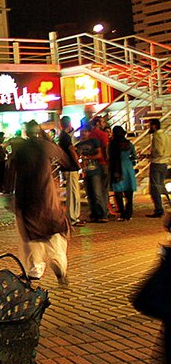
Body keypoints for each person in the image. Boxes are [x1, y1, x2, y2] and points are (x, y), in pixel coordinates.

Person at [13, 120, 70, 285]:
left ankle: (35, 270)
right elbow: (65, 160)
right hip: (47, 196)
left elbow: (12, 172)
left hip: (27, 198)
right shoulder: (45, 146)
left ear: (26, 132)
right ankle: (59, 264)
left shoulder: (21, 149)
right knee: (55, 233)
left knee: (32, 239)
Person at [77, 125, 108, 222]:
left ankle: (102, 214)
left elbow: (99, 154)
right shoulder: (78, 145)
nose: (83, 133)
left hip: (95, 170)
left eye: (85, 131)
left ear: (89, 132)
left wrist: (88, 157)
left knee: (97, 193)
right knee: (90, 194)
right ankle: (94, 214)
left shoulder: (94, 142)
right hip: (86, 171)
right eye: (82, 131)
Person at [108, 125, 137, 221]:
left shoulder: (112, 144)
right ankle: (129, 213)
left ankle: (121, 212)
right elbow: (134, 156)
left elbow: (109, 157)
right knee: (129, 193)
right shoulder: (128, 144)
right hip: (128, 168)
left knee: (118, 193)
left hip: (117, 168)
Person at [58, 116, 83, 226]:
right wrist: (78, 163)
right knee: (73, 193)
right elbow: (71, 150)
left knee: (72, 193)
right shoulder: (65, 138)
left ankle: (73, 216)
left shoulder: (63, 136)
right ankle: (73, 217)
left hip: (67, 168)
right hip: (71, 168)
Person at [146, 118, 171, 218]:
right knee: (160, 185)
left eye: (150, 125)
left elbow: (159, 151)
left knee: (155, 187)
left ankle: (158, 209)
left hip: (157, 163)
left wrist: (151, 154)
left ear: (154, 126)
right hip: (165, 163)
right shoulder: (166, 135)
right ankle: (167, 204)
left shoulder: (157, 136)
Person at [91, 116, 112, 217]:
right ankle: (104, 211)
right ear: (98, 124)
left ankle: (97, 211)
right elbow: (106, 149)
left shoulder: (90, 134)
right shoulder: (103, 134)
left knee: (95, 190)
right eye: (102, 122)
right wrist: (108, 160)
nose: (104, 124)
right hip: (102, 163)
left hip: (92, 164)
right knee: (104, 189)